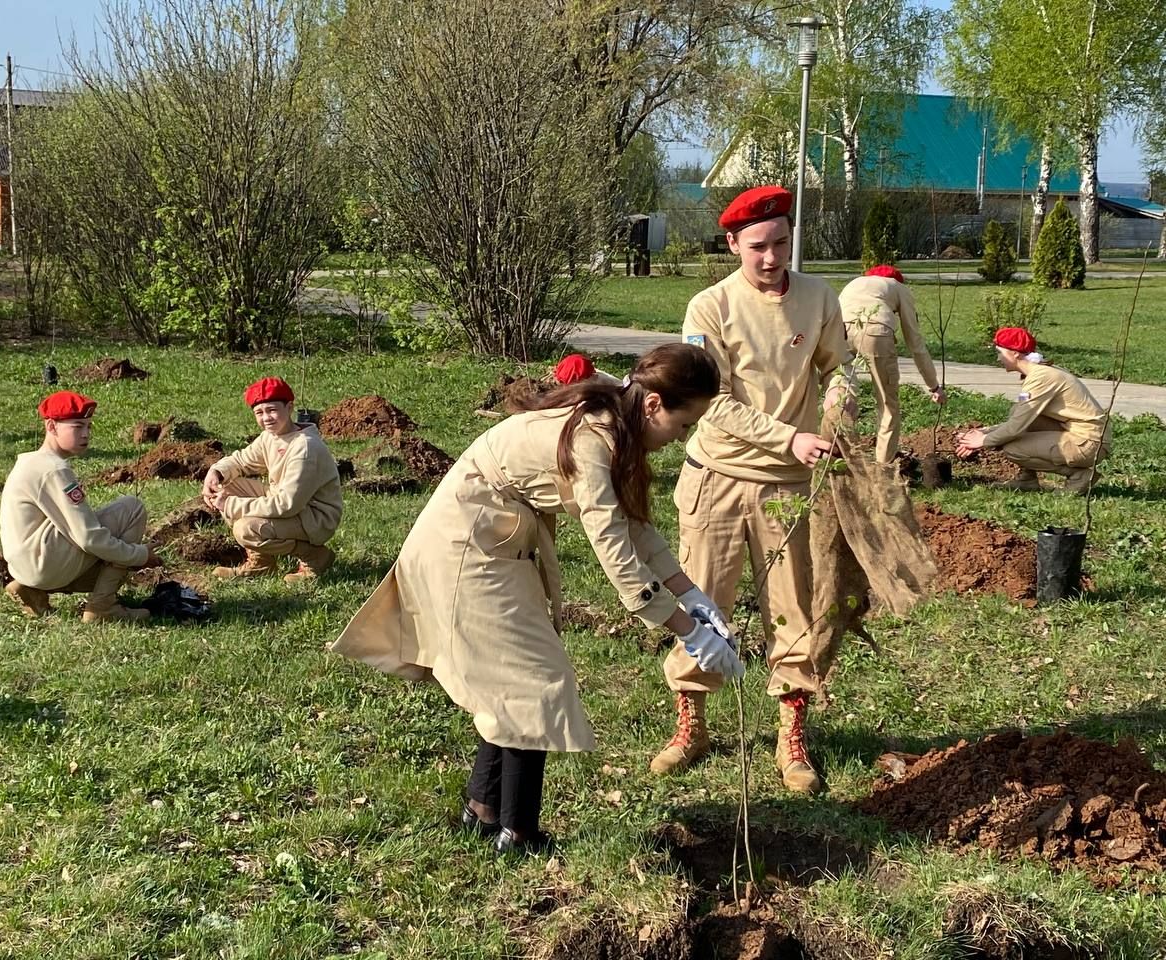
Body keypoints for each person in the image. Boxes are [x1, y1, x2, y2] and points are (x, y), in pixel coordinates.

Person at [330, 344, 739, 857]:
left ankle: (482, 809)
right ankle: (518, 833)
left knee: (514, 679)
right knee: (533, 681)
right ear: (655, 404)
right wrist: (687, 631)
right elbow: (614, 548)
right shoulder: (595, 440)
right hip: (466, 543)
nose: (682, 439)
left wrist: (692, 594)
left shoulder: (622, 415)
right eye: (684, 426)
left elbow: (635, 522)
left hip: (498, 536)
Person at [650, 185, 854, 793]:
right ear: (733, 243)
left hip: (787, 488)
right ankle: (692, 725)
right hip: (716, 477)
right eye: (759, 246)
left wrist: (840, 405)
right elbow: (709, 403)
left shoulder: (819, 297)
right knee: (699, 599)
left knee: (795, 608)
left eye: (782, 243)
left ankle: (792, 738)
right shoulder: (708, 308)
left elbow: (836, 365)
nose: (772, 258)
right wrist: (789, 436)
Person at [0, 391, 159, 623]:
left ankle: (32, 590)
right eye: (77, 427)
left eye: (88, 427)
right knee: (131, 509)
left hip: (23, 566)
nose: (85, 434)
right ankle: (103, 607)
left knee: (107, 543)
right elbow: (88, 538)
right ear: (52, 427)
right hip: (43, 565)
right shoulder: (54, 470)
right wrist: (140, 555)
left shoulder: (32, 462)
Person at [202, 376, 342, 582]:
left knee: (246, 529)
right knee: (228, 485)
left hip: (314, 517)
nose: (266, 417)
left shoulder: (305, 447)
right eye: (259, 412)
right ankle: (261, 564)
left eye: (272, 410)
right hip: (290, 504)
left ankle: (314, 556)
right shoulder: (272, 436)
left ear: (289, 407)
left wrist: (230, 504)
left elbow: (287, 505)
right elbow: (242, 460)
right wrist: (216, 473)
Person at [955, 327, 1109, 491]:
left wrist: (983, 441)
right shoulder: (1038, 372)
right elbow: (1021, 418)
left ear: (1015, 353)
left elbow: (1016, 427)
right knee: (1018, 412)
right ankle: (1027, 479)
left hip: (1089, 442)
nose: (998, 358)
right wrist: (985, 431)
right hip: (1081, 434)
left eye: (1000, 352)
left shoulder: (1041, 378)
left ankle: (1080, 476)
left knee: (1013, 449)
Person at [838, 265, 945, 463]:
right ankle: (883, 467)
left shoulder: (855, 283)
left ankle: (843, 459)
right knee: (887, 404)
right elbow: (915, 343)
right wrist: (934, 386)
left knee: (843, 398)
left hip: (838, 331)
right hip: (875, 332)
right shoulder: (899, 287)